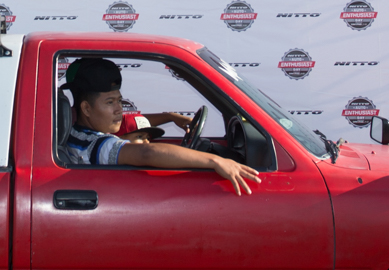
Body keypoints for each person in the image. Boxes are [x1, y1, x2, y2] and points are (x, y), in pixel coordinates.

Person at [60, 57, 261, 195]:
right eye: (110, 102)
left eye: (119, 101)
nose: (119, 109)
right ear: (86, 108)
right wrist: (215, 161)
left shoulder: (76, 134)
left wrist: (169, 117)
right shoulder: (99, 146)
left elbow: (133, 122)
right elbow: (147, 153)